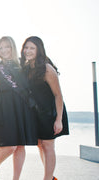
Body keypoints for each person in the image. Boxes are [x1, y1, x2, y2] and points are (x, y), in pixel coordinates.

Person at [20, 36, 69, 180]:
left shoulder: (47, 68)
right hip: (37, 113)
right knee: (40, 145)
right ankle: (51, 177)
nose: (28, 51)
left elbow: (58, 95)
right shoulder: (27, 68)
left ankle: (47, 178)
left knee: (48, 146)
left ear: (38, 50)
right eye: (26, 47)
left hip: (51, 113)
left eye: (32, 48)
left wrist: (58, 119)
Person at [0, 36, 38, 180]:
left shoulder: (23, 64)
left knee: (20, 145)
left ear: (13, 47)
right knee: (9, 145)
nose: (4, 50)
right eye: (1, 47)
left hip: (22, 106)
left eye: (7, 47)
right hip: (4, 105)